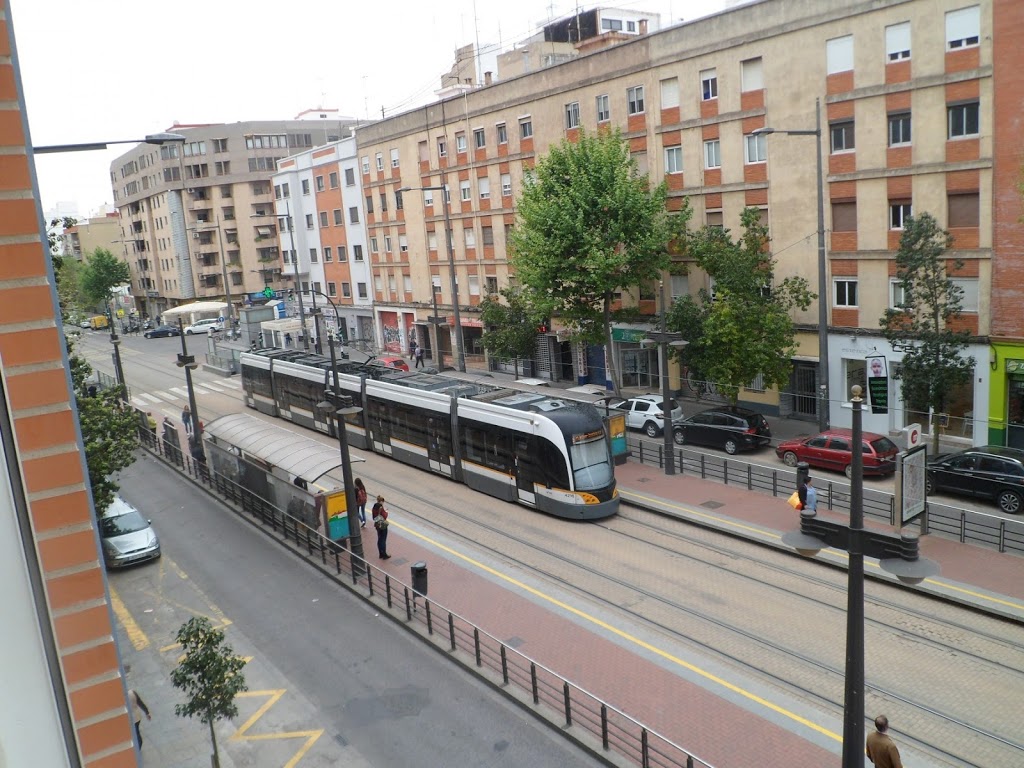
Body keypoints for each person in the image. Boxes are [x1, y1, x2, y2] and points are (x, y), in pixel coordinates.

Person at [371, 495, 390, 559]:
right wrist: (386, 512)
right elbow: (384, 516)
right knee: (383, 540)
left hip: (377, 525)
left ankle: (380, 554)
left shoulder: (374, 507)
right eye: (383, 502)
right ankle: (384, 554)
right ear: (381, 501)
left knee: (379, 539)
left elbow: (373, 517)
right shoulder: (381, 507)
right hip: (382, 525)